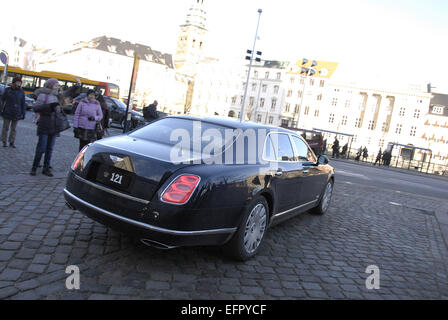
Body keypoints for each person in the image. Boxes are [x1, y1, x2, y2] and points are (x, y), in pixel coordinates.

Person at [30, 78, 68, 176]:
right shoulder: (43, 95)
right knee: (41, 147)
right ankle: (34, 166)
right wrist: (50, 107)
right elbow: (36, 108)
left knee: (50, 149)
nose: (58, 87)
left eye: (58, 85)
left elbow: (67, 97)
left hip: (55, 125)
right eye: (56, 85)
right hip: (44, 123)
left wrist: (77, 85)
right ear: (50, 86)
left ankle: (46, 168)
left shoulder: (59, 96)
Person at [1, 76, 26, 148]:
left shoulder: (21, 92)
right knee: (5, 127)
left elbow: (23, 103)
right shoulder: (8, 90)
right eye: (17, 82)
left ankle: (12, 142)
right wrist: (1, 110)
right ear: (14, 82)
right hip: (7, 111)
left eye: (20, 82)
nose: (19, 83)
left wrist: (23, 113)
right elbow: (3, 100)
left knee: (14, 129)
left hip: (17, 112)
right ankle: (4, 141)